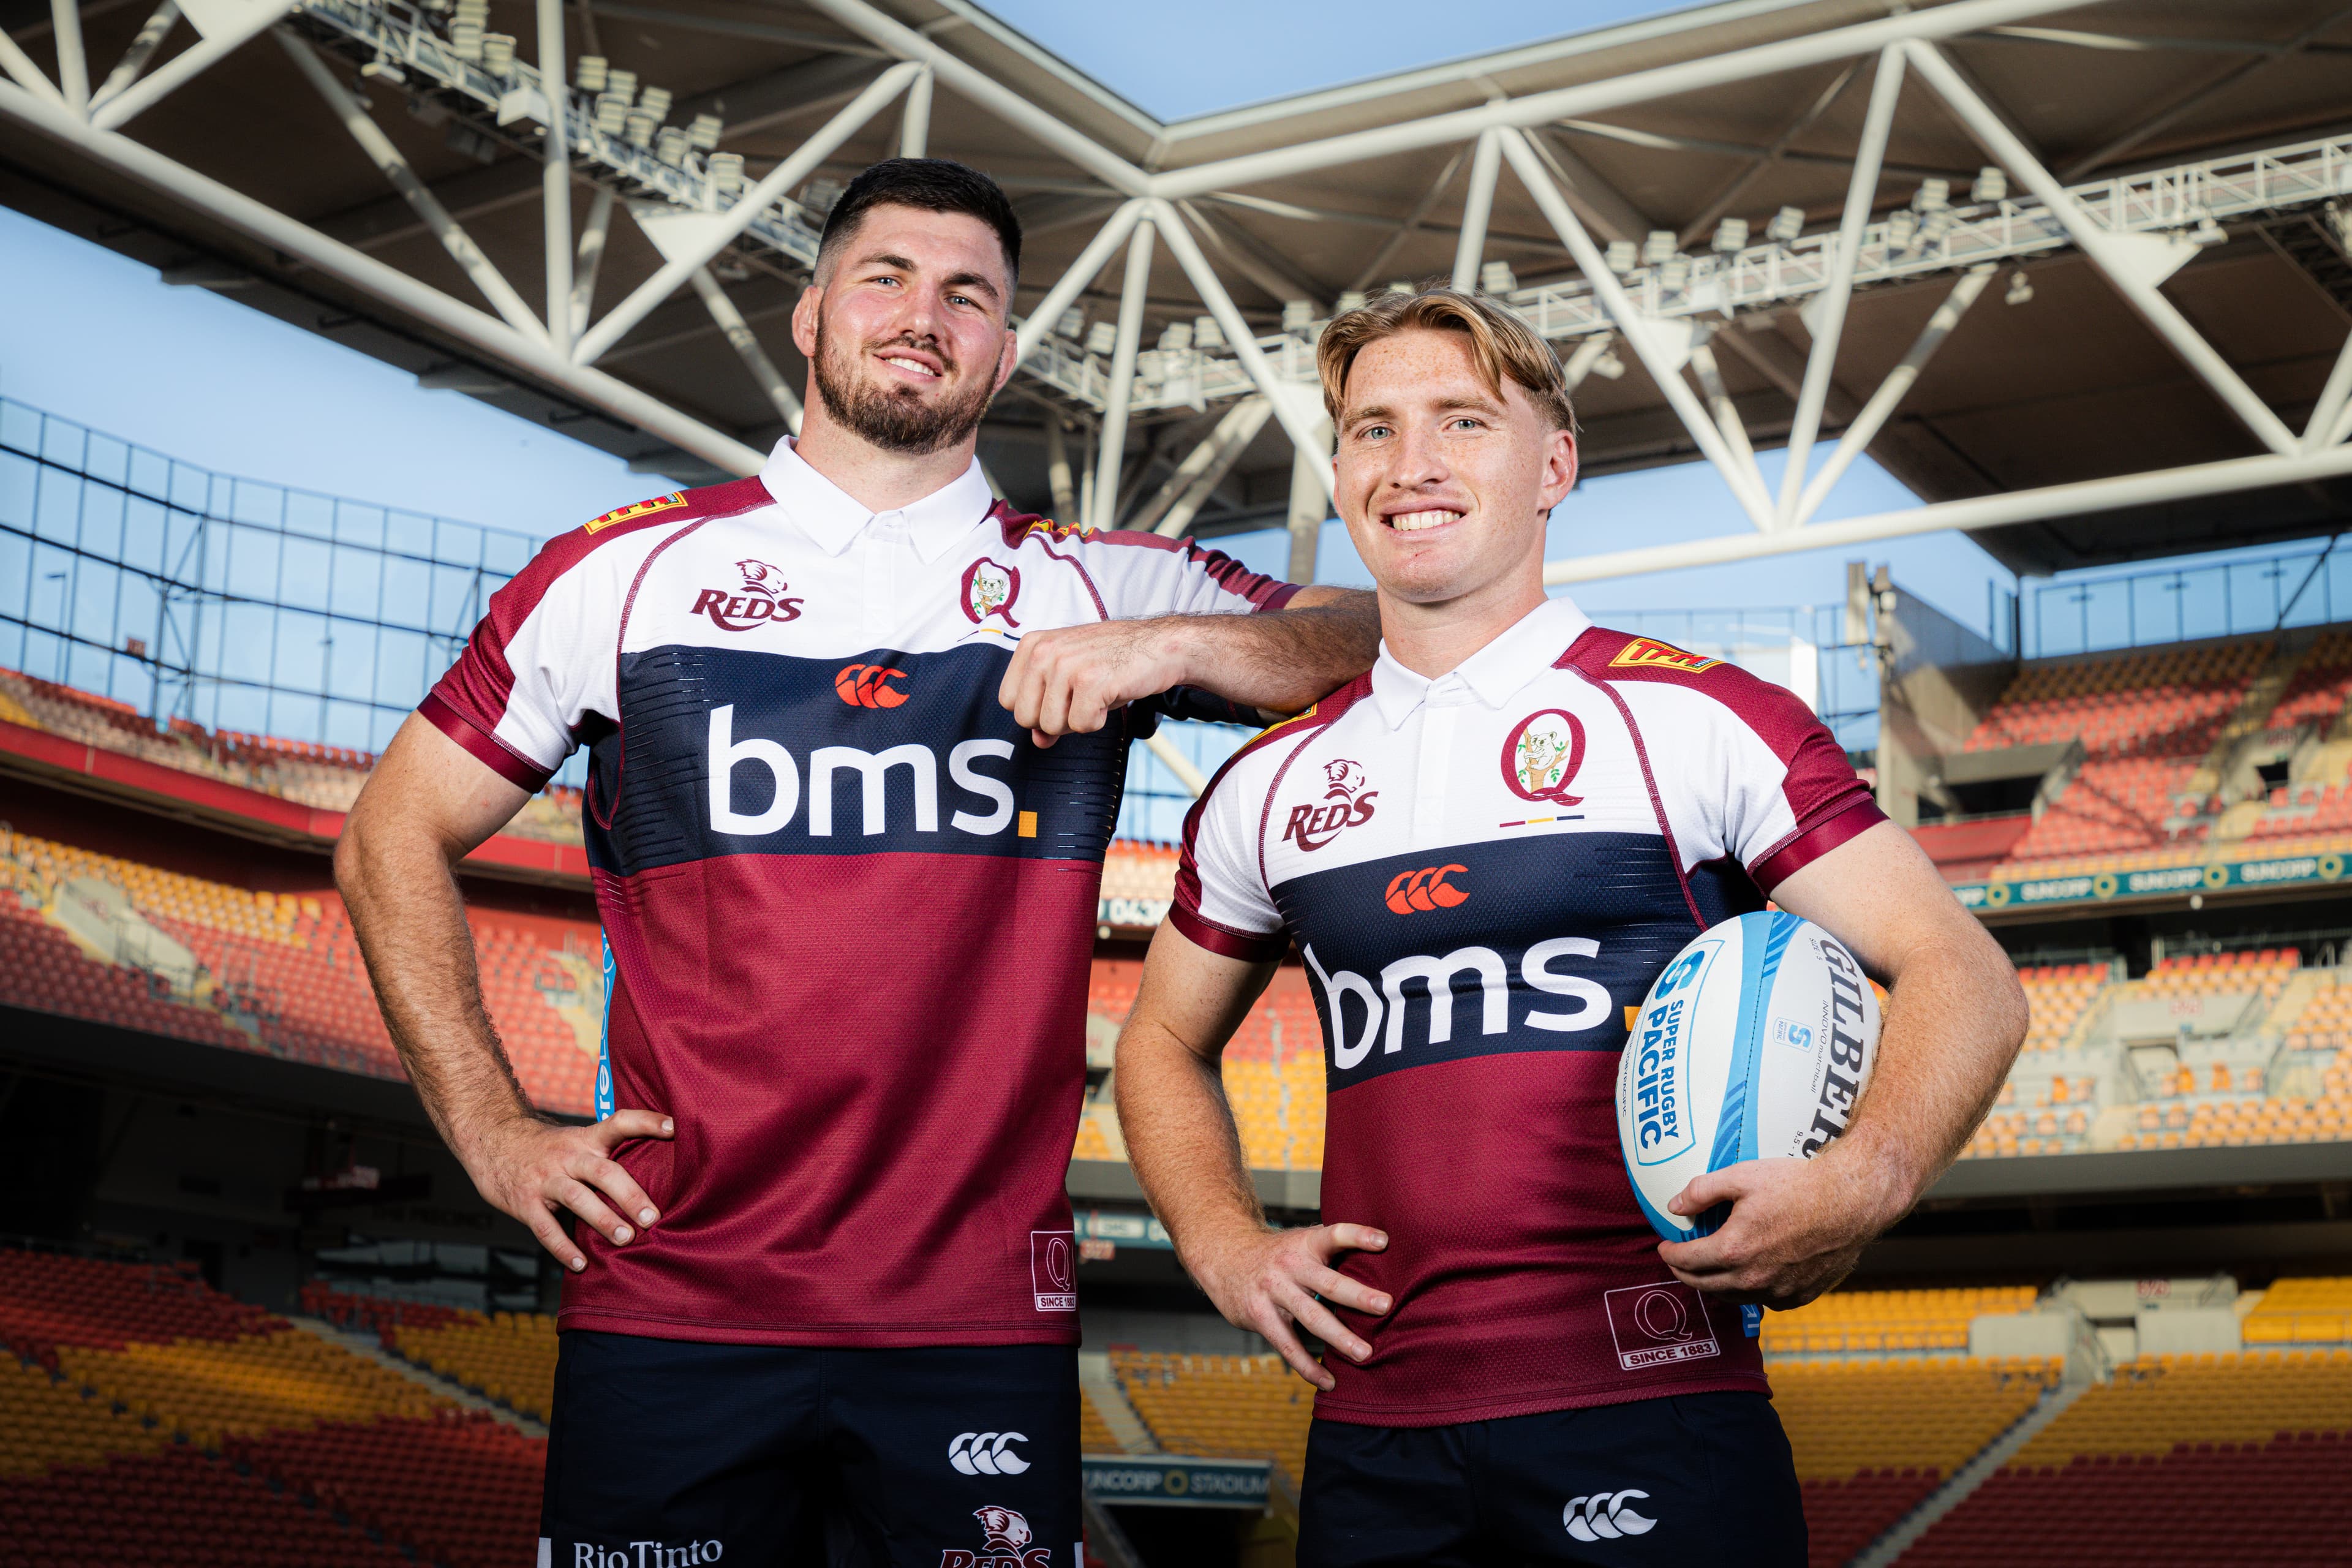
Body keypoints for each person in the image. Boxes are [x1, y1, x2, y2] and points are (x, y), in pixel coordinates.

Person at [334, 158, 1378, 1568]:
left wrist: (1180, 645)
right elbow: (391, 830)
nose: (923, 313)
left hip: (974, 1317)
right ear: (811, 314)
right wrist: (491, 1128)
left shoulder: (1100, 584)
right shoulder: (617, 574)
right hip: (676, 1297)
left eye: (969, 294)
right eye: (886, 276)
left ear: (1004, 353)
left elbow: (1379, 630)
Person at [1114, 287, 2027, 1567]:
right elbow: (1159, 1040)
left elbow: (1963, 970)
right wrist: (1222, 1245)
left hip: (1653, 1412)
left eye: (1461, 421)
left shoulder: (1702, 718)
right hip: (1376, 1436)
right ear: (1340, 471)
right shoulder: (1267, 783)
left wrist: (1864, 1177)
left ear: (1554, 467)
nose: (1412, 463)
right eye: (1372, 429)